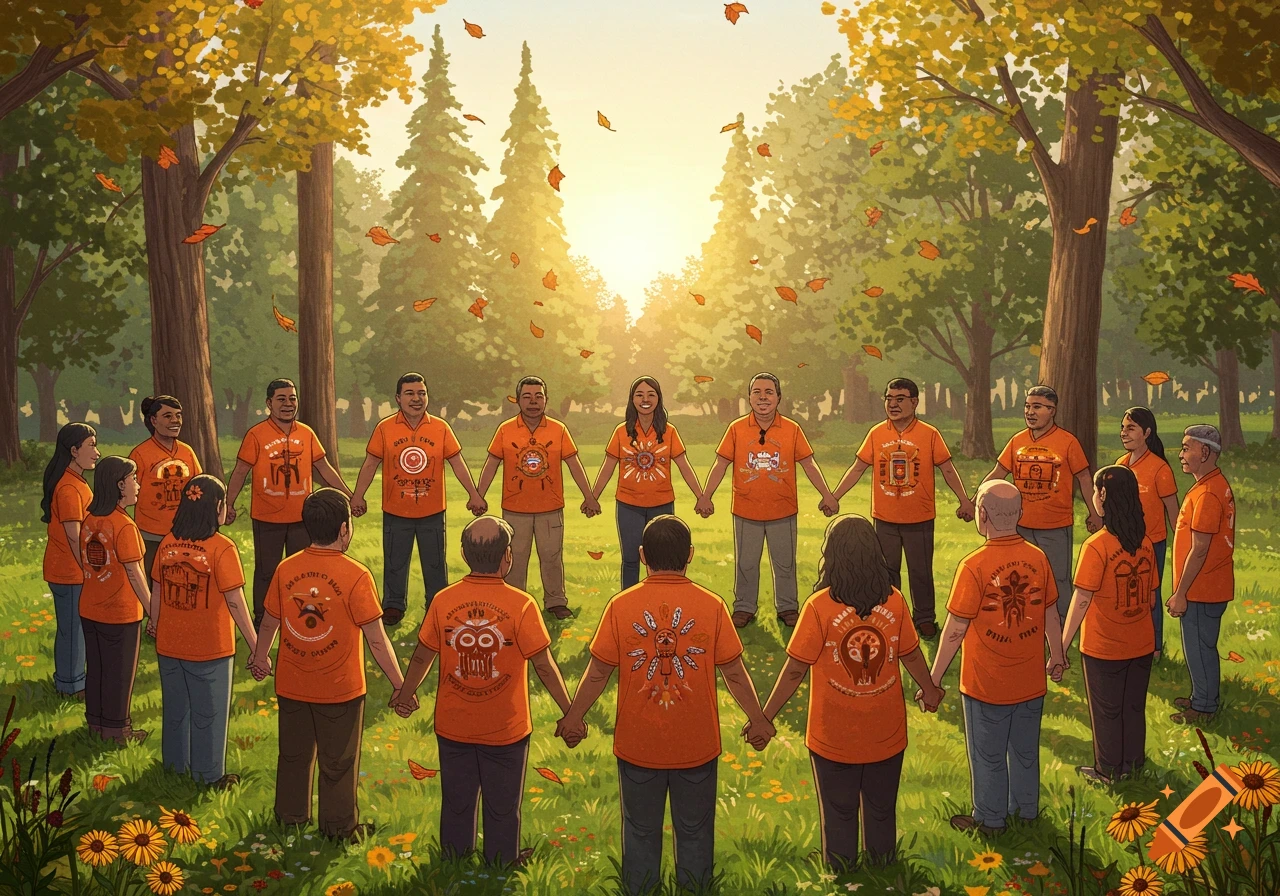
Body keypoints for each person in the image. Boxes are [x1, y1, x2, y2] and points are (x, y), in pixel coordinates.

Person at [557, 516, 775, 895]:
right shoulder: (712, 605)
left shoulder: (620, 605)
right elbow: (735, 673)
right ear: (690, 555)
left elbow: (597, 673)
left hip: (638, 744)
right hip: (698, 744)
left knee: (640, 831)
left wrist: (574, 718)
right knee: (695, 831)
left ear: (642, 556)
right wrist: (757, 720)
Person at [761, 515, 945, 870]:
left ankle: (841, 872)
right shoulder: (893, 600)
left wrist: (765, 718)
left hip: (832, 735)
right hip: (886, 732)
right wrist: (930, 690)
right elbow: (910, 652)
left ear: (830, 556)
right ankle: (882, 871)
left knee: (839, 812)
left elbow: (795, 668)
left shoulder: (818, 607)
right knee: (881, 810)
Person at [390, 517, 572, 866]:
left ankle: (455, 861)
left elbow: (423, 655)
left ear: (462, 553)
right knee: (504, 806)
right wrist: (569, 711)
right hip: (506, 729)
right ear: (508, 556)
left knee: (456, 801)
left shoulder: (444, 600)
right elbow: (544, 665)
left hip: (453, 726)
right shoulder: (521, 604)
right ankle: (502, 861)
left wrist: (404, 694)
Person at [248, 489, 409, 842]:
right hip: (341, 689)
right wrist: (400, 685)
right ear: (344, 529)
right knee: (338, 762)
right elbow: (377, 639)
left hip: (292, 684)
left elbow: (270, 621)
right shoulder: (357, 575)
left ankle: (290, 816)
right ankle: (338, 827)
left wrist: (261, 656)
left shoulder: (286, 568)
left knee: (293, 755)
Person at [930, 481, 1067, 836]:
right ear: (1020, 514)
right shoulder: (1039, 558)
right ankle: (1026, 811)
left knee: (988, 754)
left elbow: (956, 629)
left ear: (983, 515)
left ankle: (990, 820)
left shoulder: (974, 565)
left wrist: (934, 678)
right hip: (1030, 681)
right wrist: (1058, 655)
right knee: (1025, 751)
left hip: (984, 683)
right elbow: (1051, 612)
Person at [831, 377, 975, 638]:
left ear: (914, 402)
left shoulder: (929, 434)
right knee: (886, 571)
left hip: (919, 518)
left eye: (900, 399)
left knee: (921, 571)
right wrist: (835, 496)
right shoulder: (876, 433)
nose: (893, 404)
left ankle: (924, 618)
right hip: (885, 518)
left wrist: (964, 500)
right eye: (889, 398)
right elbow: (858, 468)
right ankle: (889, 614)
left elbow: (947, 469)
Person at [696, 373, 839, 628]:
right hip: (745, 509)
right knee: (746, 562)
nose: (763, 397)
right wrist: (706, 496)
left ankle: (787, 607)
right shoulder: (737, 429)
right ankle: (743, 607)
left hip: (782, 510)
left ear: (779, 397)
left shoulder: (792, 429)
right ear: (749, 398)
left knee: (784, 562)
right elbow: (721, 464)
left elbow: (808, 463)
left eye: (769, 392)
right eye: (757, 392)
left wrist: (827, 494)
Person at [351, 373, 487, 627]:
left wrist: (474, 494)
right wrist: (358, 496)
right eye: (410, 393)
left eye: (421, 393)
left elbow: (456, 462)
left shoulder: (440, 427)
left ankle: (437, 605)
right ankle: (393, 605)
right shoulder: (385, 428)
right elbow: (370, 464)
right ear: (398, 398)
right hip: (395, 510)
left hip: (432, 511)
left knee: (435, 563)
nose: (416, 399)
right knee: (394, 561)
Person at [151, 474, 256, 789]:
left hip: (169, 644)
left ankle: (174, 768)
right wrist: (256, 645)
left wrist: (154, 623)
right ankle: (209, 776)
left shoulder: (168, 542)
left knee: (176, 710)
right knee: (208, 714)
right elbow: (236, 603)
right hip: (210, 647)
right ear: (217, 508)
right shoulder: (222, 548)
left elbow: (157, 589)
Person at [225, 378, 353, 627]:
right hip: (266, 517)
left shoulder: (306, 433)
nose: (287, 404)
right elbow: (240, 471)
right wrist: (228, 504)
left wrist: (348, 496)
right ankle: (262, 616)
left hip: (302, 518)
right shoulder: (256, 434)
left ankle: (300, 613)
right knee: (266, 572)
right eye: (281, 399)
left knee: (303, 570)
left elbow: (323, 468)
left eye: (292, 399)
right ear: (269, 403)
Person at [1061, 465, 1158, 784]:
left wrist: (1060, 647)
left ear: (1103, 496)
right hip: (1141, 643)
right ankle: (1134, 762)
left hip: (1104, 647)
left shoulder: (1096, 546)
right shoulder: (1143, 541)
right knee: (1133, 707)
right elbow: (1152, 597)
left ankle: (1108, 770)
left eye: (1094, 491)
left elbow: (1081, 600)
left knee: (1106, 711)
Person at [475, 376, 601, 620]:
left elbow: (573, 464)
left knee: (552, 557)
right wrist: (478, 495)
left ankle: (555, 602)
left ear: (546, 399)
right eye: (527, 397)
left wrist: (590, 497)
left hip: (550, 509)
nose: (533, 402)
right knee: (514, 558)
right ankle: (514, 602)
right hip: (514, 508)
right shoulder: (505, 429)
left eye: (538, 396)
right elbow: (492, 463)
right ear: (518, 400)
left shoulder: (558, 429)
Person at [984, 385, 1101, 622]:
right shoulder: (1017, 440)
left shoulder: (1067, 441)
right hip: (1020, 526)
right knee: (1021, 576)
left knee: (1058, 578)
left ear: (1052, 410)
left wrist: (1095, 513)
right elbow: (999, 472)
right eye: (1027, 406)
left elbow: (1085, 477)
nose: (1030, 412)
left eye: (1037, 407)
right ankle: (1027, 620)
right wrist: (975, 500)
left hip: (1056, 526)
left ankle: (1063, 625)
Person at [588, 376, 705, 590]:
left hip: (662, 504)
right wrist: (592, 497)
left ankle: (663, 596)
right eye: (639, 394)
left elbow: (684, 466)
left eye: (651, 394)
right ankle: (628, 600)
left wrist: (702, 496)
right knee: (631, 559)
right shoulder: (621, 431)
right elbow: (607, 467)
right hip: (628, 505)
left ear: (659, 399)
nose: (645, 399)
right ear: (632, 399)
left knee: (663, 559)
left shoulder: (669, 431)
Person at [79, 456, 154, 745]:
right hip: (120, 613)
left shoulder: (90, 520)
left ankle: (95, 724)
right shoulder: (124, 526)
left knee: (96, 668)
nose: (138, 485)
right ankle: (118, 731)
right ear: (120, 485)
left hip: (89, 608)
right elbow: (136, 575)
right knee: (119, 673)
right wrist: (153, 613)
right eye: (134, 479)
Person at [1168, 424, 1235, 724]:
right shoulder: (1209, 485)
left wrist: (1181, 592)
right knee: (1197, 645)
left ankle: (1205, 707)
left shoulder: (1208, 493)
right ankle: (1200, 697)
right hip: (1205, 586)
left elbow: (1200, 549)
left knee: (1199, 647)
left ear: (1205, 452)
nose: (1180, 454)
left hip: (1202, 588)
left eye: (1186, 448)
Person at [1116, 407, 1179, 661]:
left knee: (1150, 595)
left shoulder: (1159, 468)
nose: (1124, 433)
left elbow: (1174, 514)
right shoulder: (1120, 464)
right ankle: (1128, 643)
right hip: (1123, 544)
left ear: (1147, 432)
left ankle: (1153, 649)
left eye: (1131, 428)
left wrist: (1183, 545)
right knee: (1125, 595)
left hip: (1152, 544)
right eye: (1123, 427)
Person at [41, 422, 98, 700]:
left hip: (72, 570)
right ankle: (71, 684)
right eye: (91, 446)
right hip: (69, 571)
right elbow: (75, 536)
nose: (96, 453)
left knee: (75, 628)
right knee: (73, 630)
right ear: (74, 450)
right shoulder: (68, 488)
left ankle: (74, 680)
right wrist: (88, 570)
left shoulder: (76, 481)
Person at [128, 395, 202, 580]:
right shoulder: (139, 454)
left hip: (184, 535)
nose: (175, 421)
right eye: (167, 416)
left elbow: (200, 487)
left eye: (178, 415)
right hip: (151, 536)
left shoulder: (187, 451)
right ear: (153, 420)